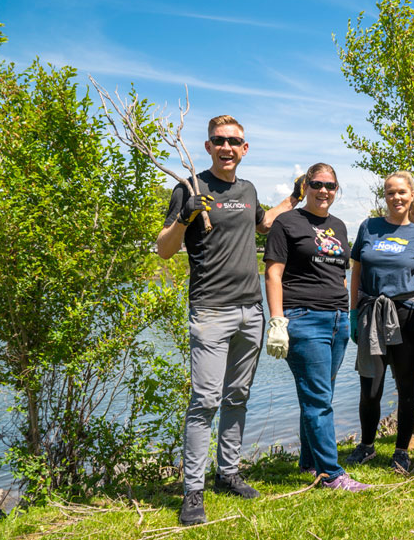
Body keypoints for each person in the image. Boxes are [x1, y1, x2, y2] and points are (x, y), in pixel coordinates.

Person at [156, 115, 300, 526]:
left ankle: (229, 473)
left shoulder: (248, 189)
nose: (227, 147)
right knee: (204, 401)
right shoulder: (190, 188)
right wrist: (184, 217)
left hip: (251, 310)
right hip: (210, 310)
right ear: (208, 146)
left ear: (245, 148)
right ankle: (192, 491)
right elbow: (164, 250)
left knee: (237, 397)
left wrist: (293, 197)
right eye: (219, 140)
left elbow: (263, 222)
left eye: (234, 141)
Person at [263, 163, 369, 492]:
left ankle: (310, 462)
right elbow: (273, 274)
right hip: (304, 318)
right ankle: (332, 474)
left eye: (331, 186)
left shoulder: (337, 225)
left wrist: (348, 314)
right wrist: (278, 321)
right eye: (317, 184)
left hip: (336, 319)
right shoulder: (287, 223)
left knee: (318, 396)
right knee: (319, 399)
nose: (324, 191)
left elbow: (340, 273)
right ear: (305, 186)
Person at [346, 171, 414, 473]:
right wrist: (352, 313)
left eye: (401, 192)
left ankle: (401, 451)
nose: (396, 198)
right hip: (371, 313)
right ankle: (367, 445)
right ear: (384, 197)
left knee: (407, 388)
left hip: (408, 315)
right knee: (370, 386)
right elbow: (357, 271)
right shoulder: (369, 227)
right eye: (390, 193)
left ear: (411, 195)